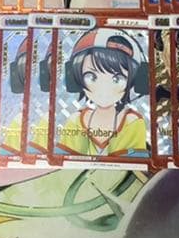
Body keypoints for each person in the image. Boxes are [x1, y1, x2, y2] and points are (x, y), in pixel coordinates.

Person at [56, 29, 148, 157]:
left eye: (117, 79)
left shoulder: (132, 122)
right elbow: (66, 160)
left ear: (136, 81)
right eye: (91, 77)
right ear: (74, 78)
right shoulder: (75, 120)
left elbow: (126, 165)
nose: (104, 88)